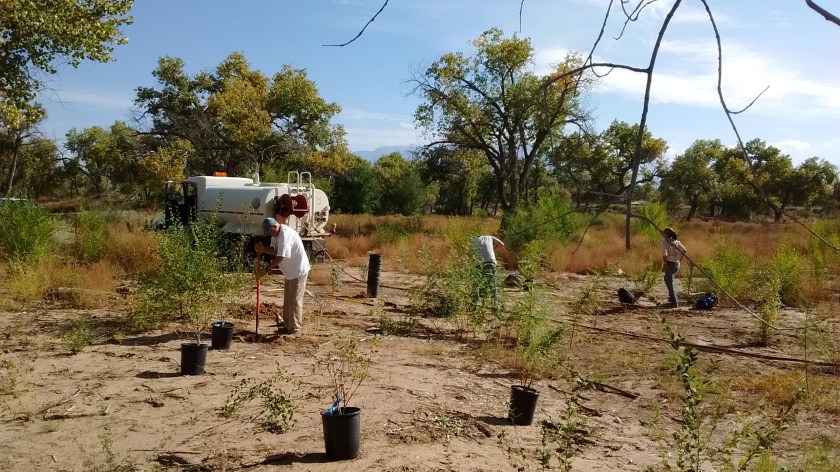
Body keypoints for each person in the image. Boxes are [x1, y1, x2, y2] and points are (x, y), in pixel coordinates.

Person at [255, 217, 311, 335]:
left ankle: (295, 329)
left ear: (275, 226)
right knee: (287, 300)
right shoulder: (275, 235)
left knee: (295, 300)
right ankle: (287, 326)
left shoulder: (286, 234)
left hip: (298, 271)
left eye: (270, 232)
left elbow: (281, 257)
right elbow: (275, 251)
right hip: (290, 272)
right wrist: (264, 249)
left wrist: (266, 269)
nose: (270, 235)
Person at [473, 235, 504, 307]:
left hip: (479, 263)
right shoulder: (490, 237)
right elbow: (502, 244)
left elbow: (472, 253)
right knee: (493, 283)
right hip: (491, 262)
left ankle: (476, 302)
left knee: (476, 283)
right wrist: (493, 249)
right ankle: (495, 304)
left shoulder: (474, 240)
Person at [661, 227, 687, 308]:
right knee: (667, 279)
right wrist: (680, 260)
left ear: (667, 234)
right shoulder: (676, 242)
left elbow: (664, 254)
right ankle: (672, 298)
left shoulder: (664, 242)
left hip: (670, 264)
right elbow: (684, 250)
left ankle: (674, 302)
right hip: (676, 264)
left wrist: (665, 264)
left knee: (670, 282)